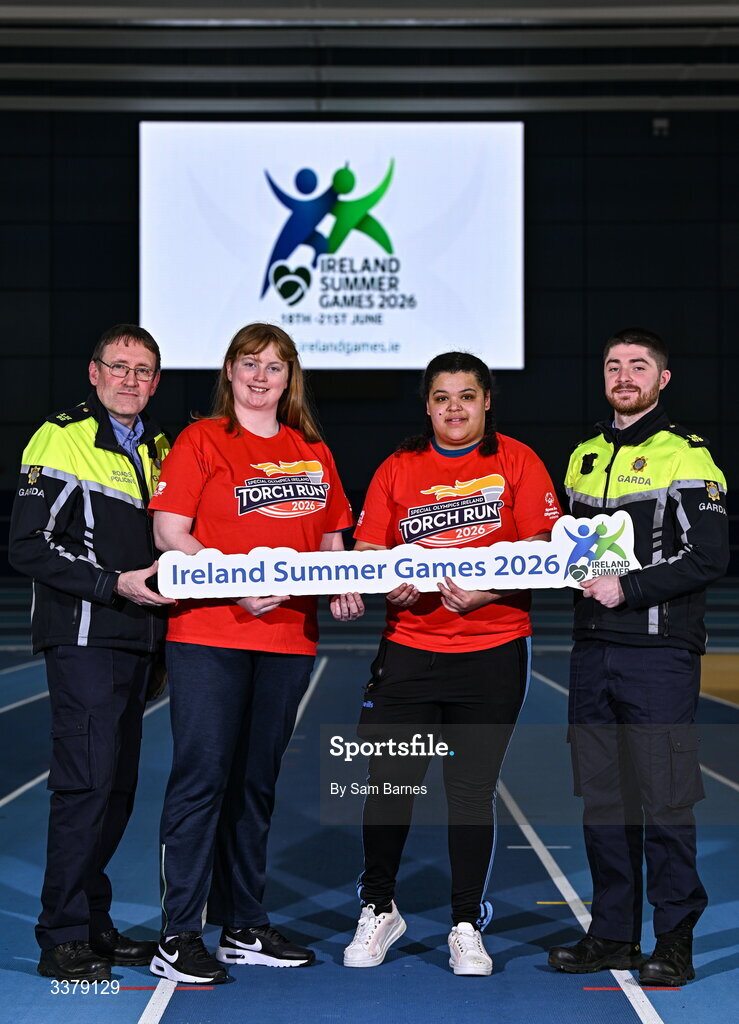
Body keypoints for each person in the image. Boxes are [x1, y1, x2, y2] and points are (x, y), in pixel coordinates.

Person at [148, 322, 362, 985]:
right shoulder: (202, 439)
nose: (262, 374)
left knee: (255, 786)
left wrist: (341, 587)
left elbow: (331, 542)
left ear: (290, 376)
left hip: (288, 639)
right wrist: (236, 582)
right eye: (250, 363)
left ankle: (242, 925)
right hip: (210, 636)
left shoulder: (312, 451)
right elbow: (168, 530)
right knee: (201, 781)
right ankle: (179, 933)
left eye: (275, 365)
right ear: (230, 372)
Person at [342, 351, 561, 976]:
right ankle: (379, 907)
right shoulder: (398, 467)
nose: (454, 408)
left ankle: (466, 923)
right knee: (386, 786)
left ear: (487, 401)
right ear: (427, 405)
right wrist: (391, 584)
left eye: (466, 396)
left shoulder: (517, 461)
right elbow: (368, 550)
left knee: (470, 793)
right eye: (442, 397)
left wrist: (490, 589)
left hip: (492, 650)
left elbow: (544, 548)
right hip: (409, 650)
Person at [548, 328, 729, 986]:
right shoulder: (583, 456)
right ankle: (612, 935)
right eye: (613, 365)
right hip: (591, 651)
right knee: (602, 800)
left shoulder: (687, 455)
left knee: (664, 799)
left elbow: (710, 555)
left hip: (657, 653)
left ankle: (673, 938)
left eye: (638, 366)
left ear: (662, 379)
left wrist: (626, 587)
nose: (623, 375)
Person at [8, 324, 173, 982]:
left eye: (144, 371)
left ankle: (93, 922)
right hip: (83, 640)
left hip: (135, 642)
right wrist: (112, 585)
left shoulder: (157, 445)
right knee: (85, 787)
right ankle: (63, 934)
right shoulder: (61, 436)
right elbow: (28, 547)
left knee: (117, 789)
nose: (131, 380)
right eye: (120, 367)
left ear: (155, 382)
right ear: (94, 372)